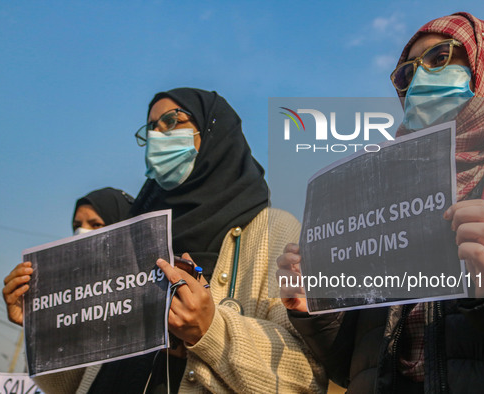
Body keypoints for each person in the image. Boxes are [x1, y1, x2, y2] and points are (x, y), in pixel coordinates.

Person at [278, 12, 484, 393]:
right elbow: (353, 368)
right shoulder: (383, 197)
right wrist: (313, 304)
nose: (419, 79)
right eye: (406, 74)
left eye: (440, 58)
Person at [32, 88, 326, 393]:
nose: (158, 136)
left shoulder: (273, 231)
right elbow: (71, 385)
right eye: (152, 128)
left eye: (172, 122)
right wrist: (41, 328)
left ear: (215, 132)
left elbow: (303, 379)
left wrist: (210, 329)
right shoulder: (134, 233)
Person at [3, 187, 134, 326]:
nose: (81, 232)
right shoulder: (65, 301)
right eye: (77, 226)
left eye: (96, 225)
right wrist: (33, 322)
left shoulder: (143, 294)